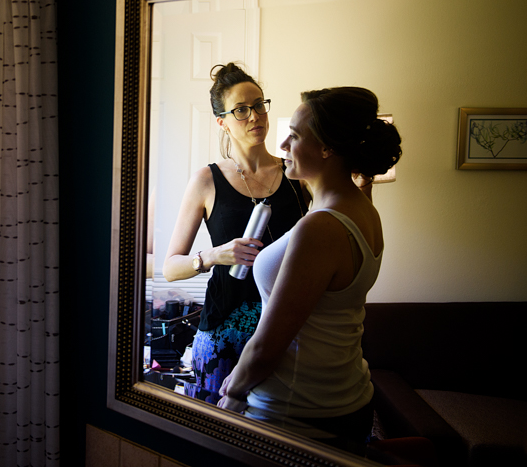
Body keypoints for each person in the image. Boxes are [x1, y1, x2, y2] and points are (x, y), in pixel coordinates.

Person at [217, 87, 401, 455]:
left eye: (296, 135)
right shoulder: (363, 210)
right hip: (345, 394)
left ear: (327, 148)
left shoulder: (320, 228)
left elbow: (269, 345)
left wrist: (232, 394)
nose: (283, 143)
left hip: (295, 411)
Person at [162, 63, 309, 404]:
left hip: (286, 330)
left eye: (259, 104)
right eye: (241, 110)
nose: (255, 115)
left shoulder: (296, 175)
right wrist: (213, 255)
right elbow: (170, 268)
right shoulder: (206, 180)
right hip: (223, 332)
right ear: (222, 122)